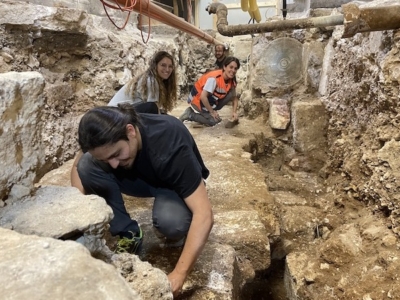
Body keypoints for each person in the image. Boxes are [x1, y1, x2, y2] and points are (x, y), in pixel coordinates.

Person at [70, 104, 213, 297]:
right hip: (139, 179)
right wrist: (76, 217)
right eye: (106, 160)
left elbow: (204, 215)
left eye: (116, 154)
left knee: (171, 224)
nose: (112, 164)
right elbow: (79, 166)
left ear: (130, 131)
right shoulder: (108, 131)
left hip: (170, 183)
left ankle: (181, 204)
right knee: (88, 165)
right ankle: (128, 231)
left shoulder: (170, 143)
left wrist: (179, 274)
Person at [108, 51, 177, 114]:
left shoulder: (153, 79)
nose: (167, 69)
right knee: (152, 107)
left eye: (170, 66)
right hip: (116, 114)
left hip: (119, 112)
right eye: (163, 65)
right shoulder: (151, 81)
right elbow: (154, 110)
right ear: (155, 66)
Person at [179, 56, 240, 127]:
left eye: (235, 68)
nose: (233, 70)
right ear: (224, 67)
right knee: (214, 121)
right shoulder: (214, 78)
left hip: (210, 100)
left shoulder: (231, 80)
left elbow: (234, 98)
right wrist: (212, 112)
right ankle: (190, 114)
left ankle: (209, 110)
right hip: (197, 100)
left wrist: (234, 112)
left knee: (230, 94)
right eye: (231, 67)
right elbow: (203, 97)